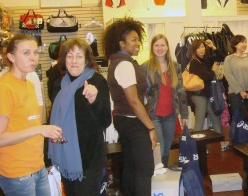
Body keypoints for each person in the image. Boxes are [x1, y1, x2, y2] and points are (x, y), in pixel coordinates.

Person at [0, 34, 63, 196]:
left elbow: (27, 125)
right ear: (11, 56)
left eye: (35, 53)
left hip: (37, 166)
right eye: (26, 53)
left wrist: (47, 133)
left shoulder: (28, 83)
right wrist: (39, 130)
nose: (33, 58)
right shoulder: (4, 87)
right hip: (17, 172)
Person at [48, 38, 111, 196]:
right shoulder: (58, 84)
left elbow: (106, 120)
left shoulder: (97, 81)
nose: (74, 61)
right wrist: (47, 158)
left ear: (87, 60)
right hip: (65, 157)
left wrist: (94, 100)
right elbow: (53, 121)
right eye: (70, 56)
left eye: (79, 56)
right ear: (64, 60)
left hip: (89, 159)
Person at [103, 17, 157, 196]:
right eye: (133, 39)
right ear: (121, 44)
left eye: (138, 39)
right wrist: (150, 127)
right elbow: (134, 101)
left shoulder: (119, 62)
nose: (138, 43)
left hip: (125, 120)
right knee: (145, 169)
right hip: (133, 122)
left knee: (132, 167)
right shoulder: (124, 64)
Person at [141, 34, 189, 167]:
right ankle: (157, 176)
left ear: (167, 47)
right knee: (159, 149)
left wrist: (184, 114)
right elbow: (139, 92)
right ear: (152, 48)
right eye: (156, 45)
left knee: (167, 148)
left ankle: (165, 175)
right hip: (153, 116)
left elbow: (181, 91)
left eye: (162, 45)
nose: (159, 48)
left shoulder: (175, 67)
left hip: (171, 115)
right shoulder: (145, 67)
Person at [223, 35, 248, 142]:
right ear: (235, 45)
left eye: (245, 42)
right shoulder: (229, 59)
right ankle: (237, 141)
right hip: (235, 94)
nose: (244, 44)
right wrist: (240, 91)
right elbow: (229, 76)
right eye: (241, 42)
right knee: (238, 119)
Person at [0, 44, 44, 123]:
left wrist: (38, 126)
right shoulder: (2, 78)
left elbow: (39, 102)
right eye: (3, 54)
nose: (5, 57)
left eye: (35, 52)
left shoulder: (31, 75)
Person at [188, 39, 225, 133]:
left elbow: (222, 58)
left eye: (203, 47)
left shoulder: (206, 59)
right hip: (199, 95)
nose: (201, 49)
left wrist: (213, 47)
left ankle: (218, 141)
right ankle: (196, 145)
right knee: (200, 121)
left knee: (216, 116)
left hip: (208, 94)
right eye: (198, 48)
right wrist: (213, 70)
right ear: (194, 50)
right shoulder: (194, 62)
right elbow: (207, 76)